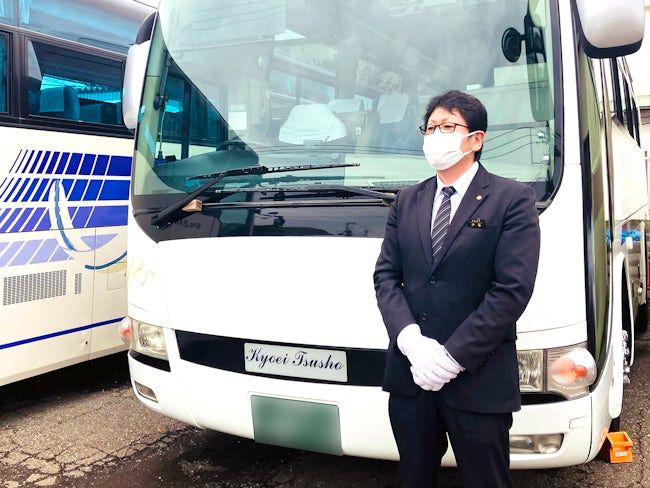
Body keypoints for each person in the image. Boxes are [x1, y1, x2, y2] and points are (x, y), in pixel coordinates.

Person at [374, 90, 540, 488]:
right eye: (430, 128)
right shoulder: (407, 201)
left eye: (448, 127)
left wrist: (451, 358)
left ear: (476, 138)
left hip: (478, 379)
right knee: (413, 477)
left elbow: (511, 290)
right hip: (413, 378)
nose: (436, 136)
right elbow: (386, 276)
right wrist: (412, 342)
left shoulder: (511, 199)